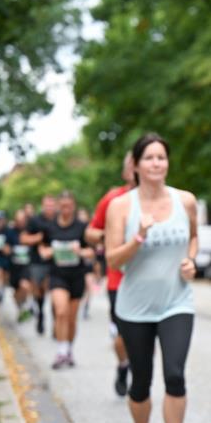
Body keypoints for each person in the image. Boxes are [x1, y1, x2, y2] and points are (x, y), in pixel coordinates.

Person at [105, 133, 198, 423]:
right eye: (150, 158)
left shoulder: (185, 200)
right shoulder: (121, 207)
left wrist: (190, 259)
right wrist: (138, 237)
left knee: (175, 374)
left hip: (177, 301)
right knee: (140, 382)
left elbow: (192, 237)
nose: (157, 163)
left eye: (162, 157)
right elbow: (113, 258)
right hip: (135, 307)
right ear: (137, 166)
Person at [86, 151, 135, 397]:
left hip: (153, 282)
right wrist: (111, 237)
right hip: (120, 280)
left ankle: (140, 368)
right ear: (127, 171)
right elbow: (90, 233)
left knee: (147, 334)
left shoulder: (164, 199)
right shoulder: (114, 199)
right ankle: (124, 365)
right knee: (124, 333)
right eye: (132, 165)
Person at [39, 191, 94, 369]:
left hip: (76, 276)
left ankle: (69, 349)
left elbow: (92, 252)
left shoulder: (82, 227)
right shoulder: (51, 226)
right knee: (61, 311)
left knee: (71, 318)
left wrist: (80, 252)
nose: (66, 210)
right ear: (58, 206)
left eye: (69, 206)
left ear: (74, 206)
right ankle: (61, 352)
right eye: (62, 206)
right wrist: (46, 252)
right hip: (57, 275)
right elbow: (42, 247)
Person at [23, 194, 59, 335]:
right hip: (37, 261)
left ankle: (57, 324)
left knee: (55, 291)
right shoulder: (35, 221)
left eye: (52, 205)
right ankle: (40, 314)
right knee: (39, 291)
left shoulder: (58, 220)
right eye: (47, 205)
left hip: (55, 262)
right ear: (43, 206)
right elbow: (24, 238)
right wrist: (38, 238)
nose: (49, 208)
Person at [5, 208, 35, 322]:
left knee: (25, 285)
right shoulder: (10, 231)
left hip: (26, 265)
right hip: (14, 266)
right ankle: (21, 309)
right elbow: (5, 247)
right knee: (15, 293)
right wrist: (11, 250)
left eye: (23, 219)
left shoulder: (30, 230)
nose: (21, 222)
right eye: (19, 219)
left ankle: (28, 305)